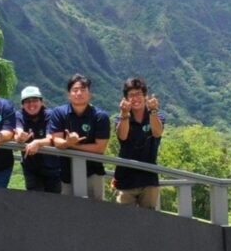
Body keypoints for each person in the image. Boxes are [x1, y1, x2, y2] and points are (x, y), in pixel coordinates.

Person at [50, 74, 111, 200]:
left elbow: (100, 148)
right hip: (64, 172)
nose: (79, 93)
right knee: (66, 211)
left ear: (90, 94)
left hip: (93, 172)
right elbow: (56, 140)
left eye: (83, 90)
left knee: (94, 211)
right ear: (69, 94)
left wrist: (71, 145)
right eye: (75, 90)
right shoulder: (59, 113)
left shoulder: (100, 117)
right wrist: (67, 142)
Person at [113, 77, 165, 209]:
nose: (135, 98)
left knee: (148, 222)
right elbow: (122, 136)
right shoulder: (121, 118)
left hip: (149, 178)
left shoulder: (157, 117)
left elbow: (157, 133)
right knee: (124, 221)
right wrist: (124, 114)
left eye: (139, 94)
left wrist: (153, 111)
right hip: (125, 178)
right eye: (131, 95)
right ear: (125, 98)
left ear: (145, 96)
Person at [14, 85, 61, 193]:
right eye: (27, 101)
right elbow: (18, 130)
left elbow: (52, 138)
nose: (31, 104)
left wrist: (38, 143)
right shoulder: (19, 115)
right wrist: (20, 137)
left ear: (41, 102)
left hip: (52, 168)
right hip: (31, 168)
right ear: (22, 104)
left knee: (55, 202)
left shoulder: (50, 115)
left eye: (35, 100)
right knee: (35, 202)